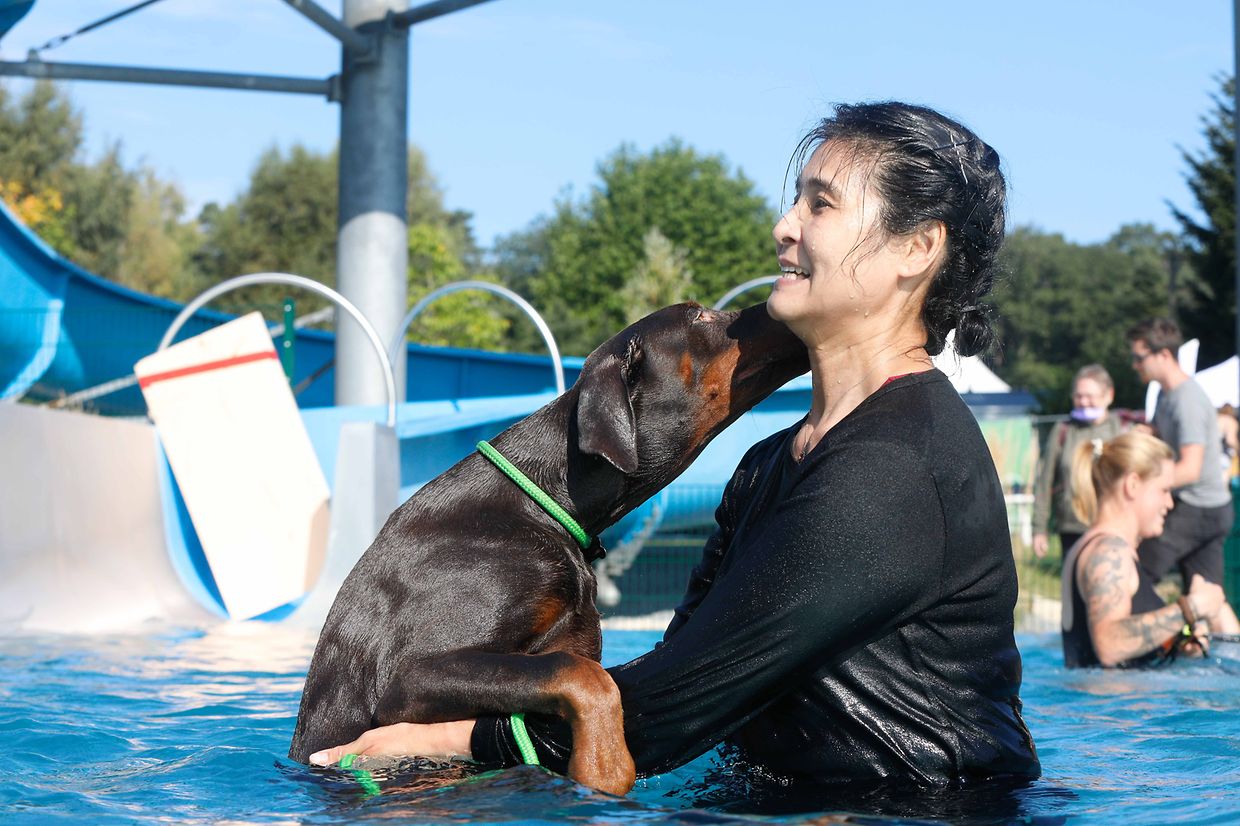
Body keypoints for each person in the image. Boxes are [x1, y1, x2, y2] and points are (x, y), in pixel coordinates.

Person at [310, 102, 1041, 794]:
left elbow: (673, 712)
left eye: (821, 204)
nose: (784, 226)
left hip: (927, 810)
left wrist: (456, 742)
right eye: (796, 199)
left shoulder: (895, 467)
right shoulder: (767, 466)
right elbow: (676, 671)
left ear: (916, 248)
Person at [1061, 431, 1225, 668]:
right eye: (1164, 490)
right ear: (1133, 485)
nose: (1170, 503)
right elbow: (1109, 645)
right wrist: (1194, 607)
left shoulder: (1090, 546)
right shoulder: (1108, 552)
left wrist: (1179, 640)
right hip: (1112, 704)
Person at [1127, 318, 1240, 633]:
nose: (1135, 365)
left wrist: (1139, 491)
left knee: (1135, 573)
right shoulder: (1166, 395)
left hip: (1198, 508)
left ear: (1163, 355)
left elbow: (1190, 468)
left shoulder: (1187, 399)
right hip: (1210, 509)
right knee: (1208, 595)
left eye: (1139, 357)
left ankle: (1130, 644)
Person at [1032, 364, 1124, 561]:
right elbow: (1045, 481)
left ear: (1109, 395)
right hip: (1072, 529)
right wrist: (1039, 529)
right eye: (1078, 396)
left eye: (1090, 396)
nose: (1083, 402)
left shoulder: (1123, 430)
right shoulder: (1064, 430)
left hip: (1114, 525)